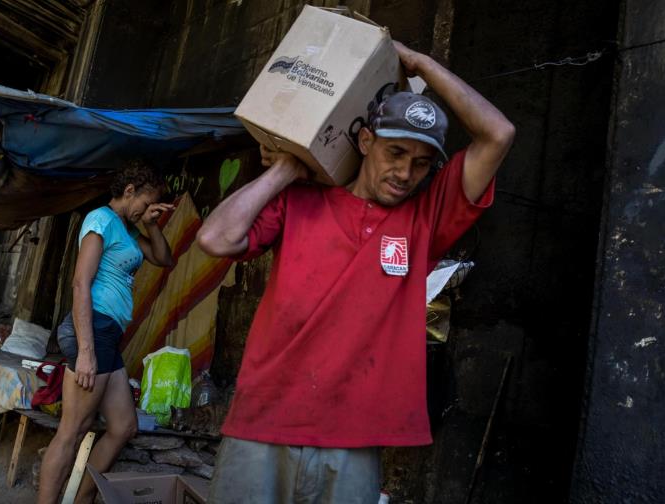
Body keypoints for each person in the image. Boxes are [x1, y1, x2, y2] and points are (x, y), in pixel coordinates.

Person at [196, 40, 515, 503]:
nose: (405, 173)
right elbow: (215, 239)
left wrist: (421, 64)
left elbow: (499, 133)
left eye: (421, 164)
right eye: (395, 153)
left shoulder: (425, 220)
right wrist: (286, 168)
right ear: (366, 141)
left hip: (354, 439)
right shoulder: (299, 200)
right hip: (262, 423)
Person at [37, 160, 175, 504]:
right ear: (129, 191)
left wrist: (152, 224)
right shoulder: (100, 220)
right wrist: (85, 351)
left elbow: (164, 258)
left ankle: (80, 498)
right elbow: (81, 282)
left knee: (123, 426)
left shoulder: (127, 231)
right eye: (145, 202)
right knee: (72, 431)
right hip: (92, 328)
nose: (146, 209)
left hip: (107, 334)